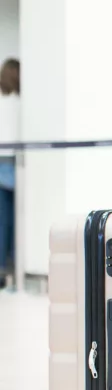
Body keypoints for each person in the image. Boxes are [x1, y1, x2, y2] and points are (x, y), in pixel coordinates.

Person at [0, 58, 20, 288]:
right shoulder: (19, 102)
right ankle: (14, 264)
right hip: (16, 162)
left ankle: (5, 267)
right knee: (15, 220)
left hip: (5, 160)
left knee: (4, 219)